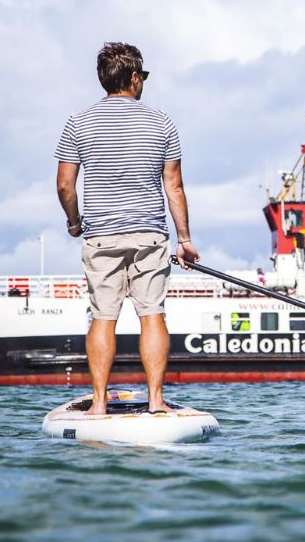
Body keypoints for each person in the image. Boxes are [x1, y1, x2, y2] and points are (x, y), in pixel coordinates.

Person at [54, 42, 199, 415]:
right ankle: (155, 402)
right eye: (143, 77)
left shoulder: (77, 122)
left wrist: (74, 222)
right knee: (152, 313)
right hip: (150, 234)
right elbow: (174, 186)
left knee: (104, 316)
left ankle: (99, 405)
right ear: (134, 78)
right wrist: (184, 240)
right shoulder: (162, 122)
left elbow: (65, 185)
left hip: (100, 233)